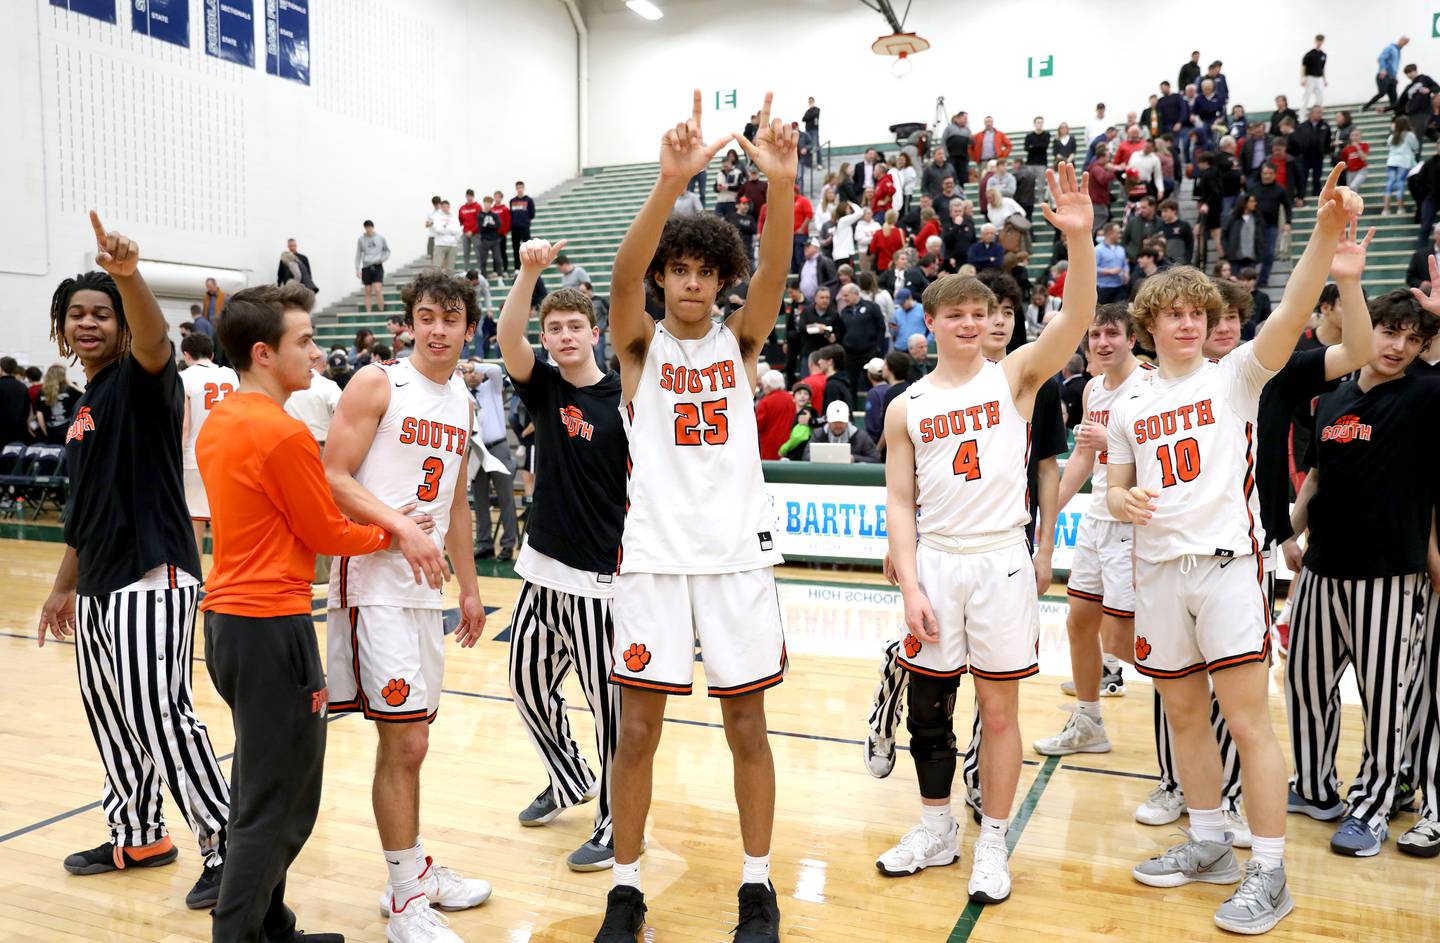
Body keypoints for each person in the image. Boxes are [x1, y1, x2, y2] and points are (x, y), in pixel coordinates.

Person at [1105, 166, 1353, 935]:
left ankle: (1269, 872)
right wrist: (1121, 500)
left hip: (1225, 569)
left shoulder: (1237, 375)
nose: (1187, 324)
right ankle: (1209, 842)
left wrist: (1322, 236)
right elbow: (1114, 488)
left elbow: (1293, 307)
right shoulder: (1129, 402)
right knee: (1184, 715)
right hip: (1158, 574)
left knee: (1249, 722)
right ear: (1148, 325)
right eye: (1172, 314)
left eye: (1196, 313)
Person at [593, 91, 794, 943]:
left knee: (747, 724)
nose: (689, 282)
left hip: (736, 557)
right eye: (677, 269)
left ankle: (757, 885)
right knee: (638, 730)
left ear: (720, 280)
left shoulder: (738, 344)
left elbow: (776, 272)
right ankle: (626, 890)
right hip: (653, 557)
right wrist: (669, 182)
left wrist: (780, 185)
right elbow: (619, 277)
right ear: (665, 276)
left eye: (704, 272)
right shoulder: (640, 347)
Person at [874, 163, 1095, 907]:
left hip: (1000, 558)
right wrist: (910, 584)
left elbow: (1076, 318)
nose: (970, 324)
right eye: (956, 315)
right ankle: (936, 829)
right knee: (928, 711)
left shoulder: (1016, 377)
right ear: (931, 323)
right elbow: (899, 502)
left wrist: (1079, 240)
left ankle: (992, 840)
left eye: (980, 313)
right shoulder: (905, 405)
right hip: (937, 561)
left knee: (999, 713)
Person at [199, 281, 422, 942]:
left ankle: (273, 926)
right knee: (283, 803)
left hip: (229, 624)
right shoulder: (283, 433)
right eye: (304, 341)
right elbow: (326, 531)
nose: (316, 353)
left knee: (262, 786)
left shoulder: (221, 419)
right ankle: (236, 935)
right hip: (272, 626)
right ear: (263, 353)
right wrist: (393, 533)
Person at [37, 214, 229, 911]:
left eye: (102, 313)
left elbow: (154, 340)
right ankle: (139, 834)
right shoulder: (87, 401)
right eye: (77, 314)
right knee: (112, 715)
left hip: (154, 574)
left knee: (158, 712)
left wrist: (129, 277)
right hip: (99, 582)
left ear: (120, 325)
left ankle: (229, 842)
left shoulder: (141, 379)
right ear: (62, 328)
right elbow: (85, 509)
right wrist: (64, 587)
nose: (89, 323)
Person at [320, 269, 490, 941]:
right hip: (372, 580)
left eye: (451, 318)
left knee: (414, 741)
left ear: (468, 327)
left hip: (424, 589)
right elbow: (333, 475)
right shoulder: (377, 382)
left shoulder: (463, 401)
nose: (438, 329)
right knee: (405, 739)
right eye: (426, 316)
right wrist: (400, 528)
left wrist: (470, 587)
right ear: (409, 322)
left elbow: (455, 504)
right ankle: (405, 899)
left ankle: (412, 870)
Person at [494, 239, 630, 874]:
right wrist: (529, 275)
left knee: (610, 710)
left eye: (576, 326)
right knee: (526, 684)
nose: (565, 336)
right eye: (555, 328)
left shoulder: (624, 398)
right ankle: (569, 776)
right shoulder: (545, 387)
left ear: (595, 333)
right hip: (540, 570)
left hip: (600, 578)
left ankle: (618, 821)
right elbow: (507, 337)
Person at [1040, 304, 1156, 756]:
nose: (1103, 343)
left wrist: (1115, 441)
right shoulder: (1092, 388)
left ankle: (1198, 697)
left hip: (1135, 522)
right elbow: (1082, 459)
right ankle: (1088, 722)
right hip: (1096, 520)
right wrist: (1048, 512)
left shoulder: (1151, 385)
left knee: (1123, 640)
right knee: (1079, 622)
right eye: (1095, 335)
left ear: (1132, 339)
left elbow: (1162, 456)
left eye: (1112, 334)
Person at [179, 332, 239, 567]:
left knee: (194, 520)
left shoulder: (183, 378)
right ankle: (226, 571)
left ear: (186, 355)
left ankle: (195, 573)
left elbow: (184, 425)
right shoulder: (230, 375)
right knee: (223, 521)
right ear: (212, 354)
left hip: (196, 456)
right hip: (230, 455)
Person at [808, 400, 878, 462]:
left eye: (841, 422)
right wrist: (824, 457)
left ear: (847, 420)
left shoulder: (861, 437)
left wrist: (854, 458)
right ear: (828, 421)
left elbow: (875, 459)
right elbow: (806, 456)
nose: (838, 425)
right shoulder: (818, 434)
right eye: (835, 422)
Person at [36, 363, 82, 445]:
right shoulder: (69, 389)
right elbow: (87, 397)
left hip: (51, 429)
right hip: (68, 429)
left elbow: (39, 414)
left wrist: (45, 432)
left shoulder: (42, 391)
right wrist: (72, 385)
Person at [1384, 117, 1421, 216]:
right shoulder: (1410, 135)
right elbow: (1416, 147)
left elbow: (1388, 146)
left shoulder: (1392, 136)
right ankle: (1400, 208)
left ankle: (1386, 209)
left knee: (1390, 183)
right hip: (1404, 162)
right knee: (1400, 183)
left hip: (1392, 161)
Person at [1364, 35, 1410, 112]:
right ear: (1400, 40)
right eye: (1404, 42)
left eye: (1406, 43)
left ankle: (1396, 115)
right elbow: (1381, 58)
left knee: (1394, 100)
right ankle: (1366, 106)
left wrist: (1395, 76)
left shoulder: (1398, 51)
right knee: (1382, 92)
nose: (1404, 44)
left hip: (1392, 78)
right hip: (1385, 75)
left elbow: (1394, 66)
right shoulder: (1390, 48)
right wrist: (1382, 69)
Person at [355, 219, 392, 314]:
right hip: (366, 266)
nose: (368, 229)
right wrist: (357, 269)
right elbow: (358, 254)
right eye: (366, 227)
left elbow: (387, 251)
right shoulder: (361, 239)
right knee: (367, 291)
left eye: (370, 227)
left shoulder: (380, 238)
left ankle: (381, 311)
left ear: (373, 227)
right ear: (365, 228)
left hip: (377, 266)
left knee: (378, 289)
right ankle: (368, 312)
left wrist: (382, 259)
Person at [1096, 222, 1129, 304]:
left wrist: (1126, 273)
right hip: (1104, 287)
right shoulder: (1098, 250)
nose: (1120, 235)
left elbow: (1125, 264)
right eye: (1118, 232)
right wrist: (1109, 271)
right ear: (1110, 233)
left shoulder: (1121, 249)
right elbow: (1092, 268)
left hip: (1119, 287)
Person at [509, 181, 537, 264]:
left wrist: (525, 221)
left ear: (524, 188)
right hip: (514, 228)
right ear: (516, 189)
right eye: (518, 188)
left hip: (524, 228)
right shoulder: (512, 201)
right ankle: (517, 267)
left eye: (521, 188)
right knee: (516, 248)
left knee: (527, 247)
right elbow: (511, 214)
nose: (520, 189)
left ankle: (528, 264)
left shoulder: (529, 200)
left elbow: (532, 214)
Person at [431, 200, 461, 271]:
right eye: (443, 207)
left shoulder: (454, 216)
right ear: (441, 207)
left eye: (447, 207)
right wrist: (451, 231)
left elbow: (458, 230)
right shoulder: (436, 216)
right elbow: (438, 229)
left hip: (452, 244)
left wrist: (446, 228)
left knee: (450, 268)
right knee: (437, 266)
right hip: (440, 244)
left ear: (449, 207)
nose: (445, 208)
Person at [1408, 223, 1440, 288]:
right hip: (1429, 292)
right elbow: (1410, 278)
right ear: (1434, 235)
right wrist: (1421, 284)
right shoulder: (1420, 255)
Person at [1301, 35, 1327, 109]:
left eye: (1321, 41)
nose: (1319, 42)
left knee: (1320, 97)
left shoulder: (1323, 55)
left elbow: (1322, 68)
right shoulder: (1309, 54)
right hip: (1310, 77)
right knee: (1307, 95)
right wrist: (1303, 78)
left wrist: (1324, 80)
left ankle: (1317, 111)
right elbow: (1303, 67)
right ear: (1315, 41)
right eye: (1318, 40)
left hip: (1319, 78)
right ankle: (1302, 113)